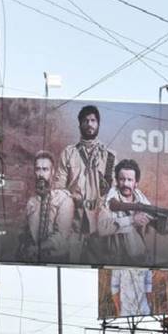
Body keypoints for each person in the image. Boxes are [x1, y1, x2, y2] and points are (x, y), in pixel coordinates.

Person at [53, 105, 116, 261]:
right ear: (80, 124)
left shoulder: (109, 156)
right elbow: (59, 188)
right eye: (86, 121)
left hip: (99, 224)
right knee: (72, 265)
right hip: (74, 222)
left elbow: (111, 191)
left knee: (100, 265)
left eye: (93, 120)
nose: (89, 124)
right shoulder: (69, 153)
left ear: (98, 124)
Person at [97, 159, 168, 267]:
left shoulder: (141, 200)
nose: (125, 183)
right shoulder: (108, 200)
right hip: (115, 260)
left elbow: (160, 227)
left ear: (136, 183)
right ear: (116, 180)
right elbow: (102, 228)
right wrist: (132, 220)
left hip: (140, 259)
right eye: (122, 179)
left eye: (129, 180)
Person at [21, 151, 77, 264]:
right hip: (33, 261)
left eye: (45, 169)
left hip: (57, 261)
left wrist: (37, 249)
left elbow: (61, 236)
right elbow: (25, 233)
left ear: (52, 172)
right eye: (38, 169)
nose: (40, 174)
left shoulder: (64, 199)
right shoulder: (31, 202)